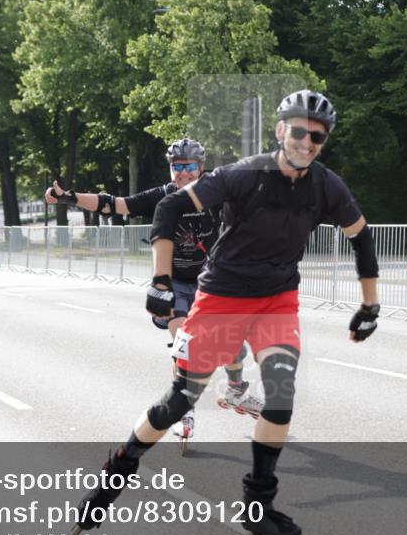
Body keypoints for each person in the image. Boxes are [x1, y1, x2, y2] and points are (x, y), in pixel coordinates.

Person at [71, 90, 381, 535]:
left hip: (277, 300)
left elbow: (361, 238)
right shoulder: (244, 174)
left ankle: (258, 506)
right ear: (281, 131)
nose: (306, 141)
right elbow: (169, 210)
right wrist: (159, 280)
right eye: (297, 131)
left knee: (280, 396)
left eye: (316, 135)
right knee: (179, 402)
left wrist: (369, 306)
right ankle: (118, 469)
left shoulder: (326, 185)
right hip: (220, 299)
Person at [45, 139, 263, 441]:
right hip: (173, 283)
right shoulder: (163, 196)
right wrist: (70, 197)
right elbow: (115, 204)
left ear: (200, 168)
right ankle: (182, 408)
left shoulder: (216, 194)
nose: (183, 173)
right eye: (177, 166)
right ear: (170, 167)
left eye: (189, 167)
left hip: (211, 282)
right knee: (186, 343)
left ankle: (236, 390)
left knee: (233, 345)